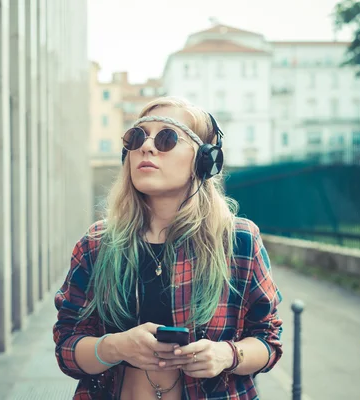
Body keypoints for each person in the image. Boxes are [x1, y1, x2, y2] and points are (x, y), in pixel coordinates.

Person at [53, 96, 283, 399]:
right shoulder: (96, 244)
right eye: (136, 137)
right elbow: (67, 346)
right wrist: (115, 347)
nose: (146, 147)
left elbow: (268, 341)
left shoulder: (238, 241)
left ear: (203, 159)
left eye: (166, 138)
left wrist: (227, 355)